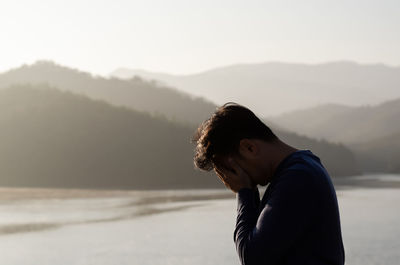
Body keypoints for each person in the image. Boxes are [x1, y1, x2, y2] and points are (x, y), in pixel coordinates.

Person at [192, 102, 345, 265]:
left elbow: (252, 258)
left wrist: (244, 192)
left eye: (232, 170)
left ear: (249, 148)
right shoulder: (300, 170)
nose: (232, 179)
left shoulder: (298, 178)